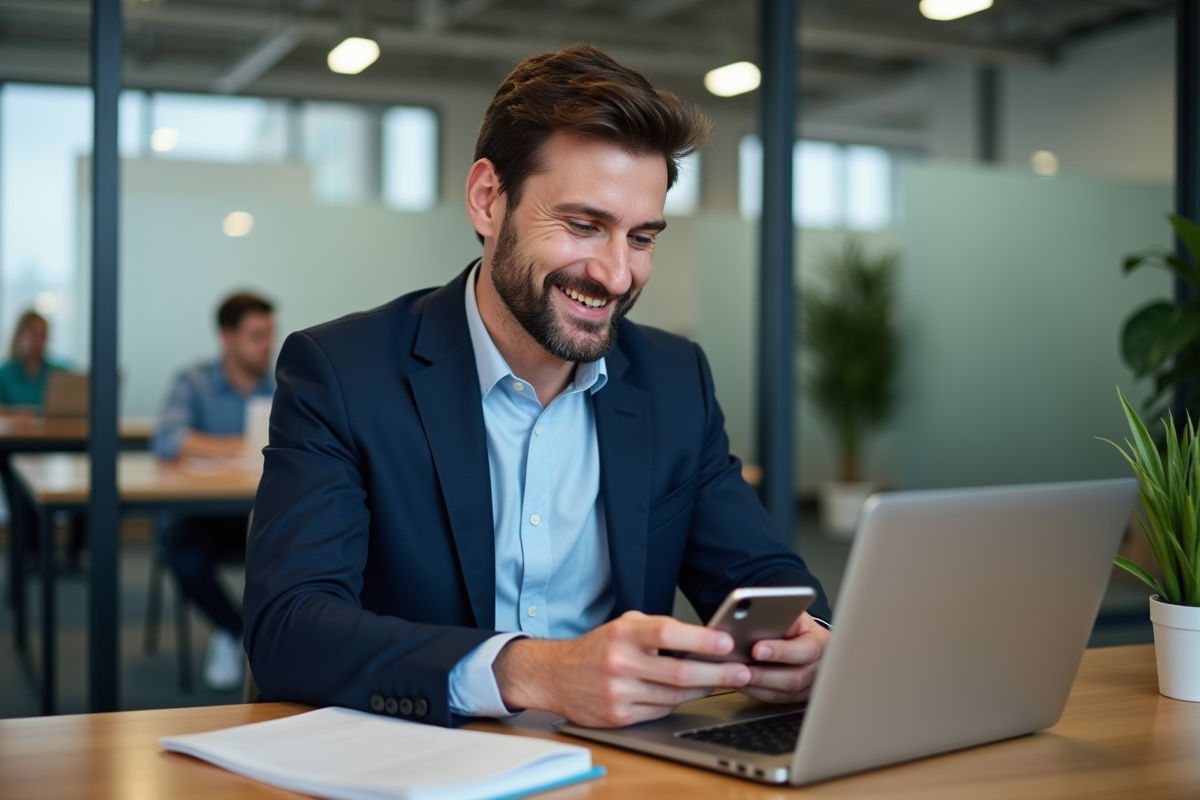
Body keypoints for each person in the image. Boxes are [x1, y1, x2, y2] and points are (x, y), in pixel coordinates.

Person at [245, 45, 832, 728]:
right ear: (489, 200)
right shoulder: (342, 372)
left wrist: (808, 640)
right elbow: (289, 627)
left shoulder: (675, 381)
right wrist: (532, 672)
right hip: (418, 758)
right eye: (584, 226)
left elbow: (765, 581)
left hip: (617, 766)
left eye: (641, 237)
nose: (617, 276)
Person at [153, 292, 276, 691]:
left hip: (258, 512)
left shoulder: (282, 384)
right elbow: (168, 440)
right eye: (256, 336)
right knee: (182, 549)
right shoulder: (195, 381)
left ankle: (278, 637)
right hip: (202, 516)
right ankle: (237, 632)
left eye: (269, 335)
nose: (266, 346)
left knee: (307, 541)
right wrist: (236, 446)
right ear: (227, 337)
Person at [0, 310, 68, 409]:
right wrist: (16, 414)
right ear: (20, 335)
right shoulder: (5, 374)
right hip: (15, 424)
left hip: (52, 424)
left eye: (43, 335)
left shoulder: (59, 373)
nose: (39, 341)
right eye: (34, 335)